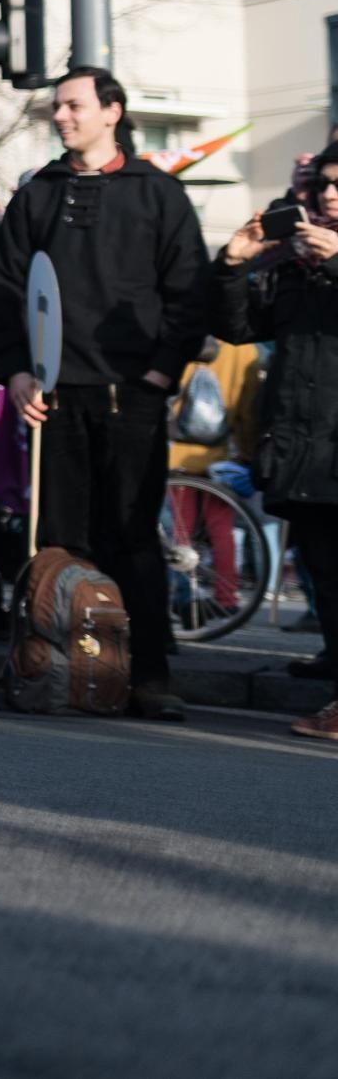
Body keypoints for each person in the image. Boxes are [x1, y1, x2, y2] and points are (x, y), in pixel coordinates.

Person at [0, 68, 210, 721]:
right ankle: (62, 672)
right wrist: (17, 372)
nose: (60, 116)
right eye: (56, 107)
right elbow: (4, 290)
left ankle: (147, 676)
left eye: (73, 106)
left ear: (111, 112)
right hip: (53, 397)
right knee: (61, 540)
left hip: (129, 394)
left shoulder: (156, 193)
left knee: (133, 538)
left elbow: (187, 289)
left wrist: (159, 374)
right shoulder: (38, 194)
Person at [210, 148, 338, 740]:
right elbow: (238, 329)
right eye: (326, 186)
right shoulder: (293, 265)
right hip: (301, 447)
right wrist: (234, 265)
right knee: (323, 568)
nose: (331, 195)